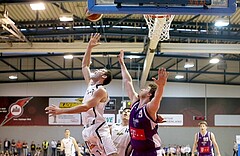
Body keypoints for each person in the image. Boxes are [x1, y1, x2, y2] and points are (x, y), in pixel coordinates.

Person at [45, 33, 118, 156]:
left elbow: (85, 107)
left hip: (98, 127)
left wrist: (60, 111)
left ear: (104, 76)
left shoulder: (101, 90)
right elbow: (85, 65)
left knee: (112, 154)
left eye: (100, 70)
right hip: (87, 129)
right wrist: (89, 47)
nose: (96, 70)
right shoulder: (91, 85)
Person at [118, 50, 168, 155]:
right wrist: (122, 64)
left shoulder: (149, 108)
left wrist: (161, 86)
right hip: (137, 152)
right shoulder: (135, 102)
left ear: (149, 94)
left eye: (146, 88)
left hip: (151, 152)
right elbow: (127, 81)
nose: (142, 89)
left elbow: (157, 98)